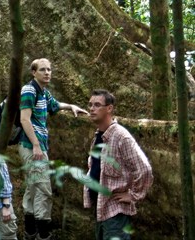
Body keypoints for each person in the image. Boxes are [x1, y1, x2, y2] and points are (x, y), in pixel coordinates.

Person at [18, 58, 88, 240]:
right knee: (44, 190)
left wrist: (71, 106)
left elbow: (55, 105)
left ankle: (30, 233)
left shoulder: (43, 92)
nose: (47, 72)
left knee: (33, 188)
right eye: (42, 70)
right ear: (34, 72)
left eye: (49, 69)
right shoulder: (29, 90)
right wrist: (35, 145)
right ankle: (43, 234)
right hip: (32, 147)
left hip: (38, 147)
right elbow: (24, 119)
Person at [83, 89, 153, 240]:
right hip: (100, 208)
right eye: (90, 105)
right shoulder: (98, 136)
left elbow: (144, 169)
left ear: (109, 108)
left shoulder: (121, 136)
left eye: (97, 105)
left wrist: (133, 195)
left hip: (115, 213)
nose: (91, 109)